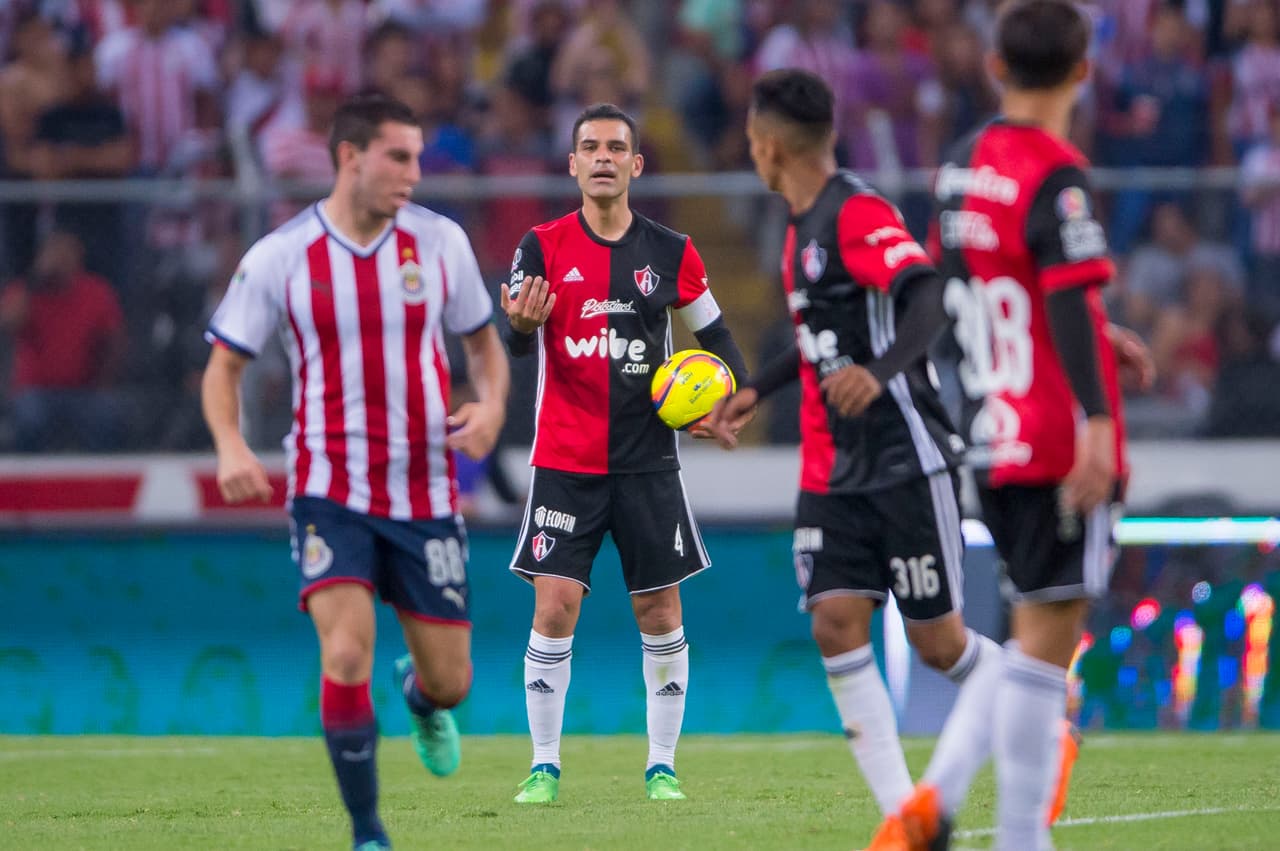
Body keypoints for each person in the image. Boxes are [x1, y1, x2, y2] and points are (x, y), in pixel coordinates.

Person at [703, 68, 1006, 850]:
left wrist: (880, 373)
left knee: (940, 646)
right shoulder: (800, 227)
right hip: (833, 469)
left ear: (769, 146)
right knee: (835, 622)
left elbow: (931, 293)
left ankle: (1039, 695)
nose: (751, 151)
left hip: (906, 457)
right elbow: (819, 341)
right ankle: (910, 822)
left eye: (751, 139)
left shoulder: (856, 211)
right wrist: (756, 388)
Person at [200, 93, 509, 851]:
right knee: (343, 652)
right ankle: (369, 832)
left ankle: (421, 696)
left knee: (452, 680)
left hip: (425, 491)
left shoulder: (441, 244)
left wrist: (494, 407)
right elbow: (223, 367)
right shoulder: (280, 255)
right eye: (399, 157)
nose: (414, 173)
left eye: (417, 158)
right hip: (329, 488)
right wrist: (232, 447)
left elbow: (484, 350)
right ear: (350, 157)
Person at [919, 3, 1129, 848]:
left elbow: (983, 287)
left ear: (995, 66)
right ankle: (980, 819)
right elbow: (1069, 294)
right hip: (1053, 437)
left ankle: (955, 810)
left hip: (988, 431)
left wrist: (1093, 338)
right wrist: (1101, 423)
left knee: (1026, 640)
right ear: (1083, 71)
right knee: (1045, 650)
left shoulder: (960, 168)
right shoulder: (1057, 174)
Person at [500, 102, 749, 804]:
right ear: (573, 163)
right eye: (590, 146)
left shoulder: (672, 251)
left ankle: (661, 766)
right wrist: (519, 327)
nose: (603, 156)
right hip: (566, 462)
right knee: (553, 608)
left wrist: (724, 399)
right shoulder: (540, 246)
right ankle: (544, 765)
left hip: (648, 464)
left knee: (661, 613)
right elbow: (518, 340)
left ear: (636, 165)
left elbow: (721, 342)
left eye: (616, 147)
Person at [0, 230, 126, 452]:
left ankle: (101, 479)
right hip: (35, 391)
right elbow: (9, 322)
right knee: (30, 416)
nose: (60, 260)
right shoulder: (25, 291)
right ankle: (28, 476)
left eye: (66, 253)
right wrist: (34, 282)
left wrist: (103, 382)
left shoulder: (96, 292)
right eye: (54, 252)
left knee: (106, 413)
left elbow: (114, 341)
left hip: (84, 391)